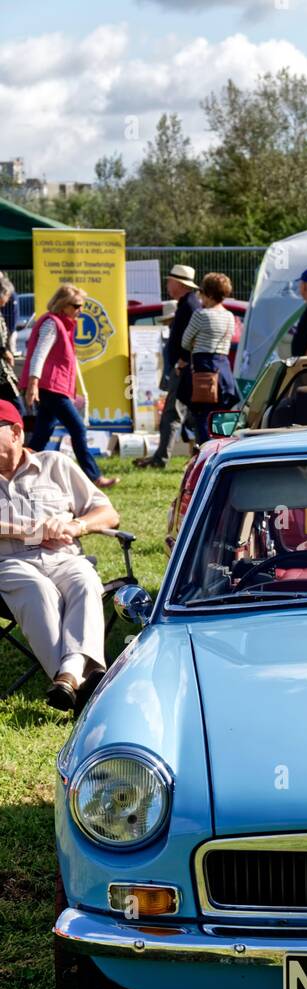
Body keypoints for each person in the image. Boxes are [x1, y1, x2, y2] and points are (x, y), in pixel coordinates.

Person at [0, 399, 119, 711]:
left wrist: (75, 524)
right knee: (37, 589)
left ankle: (68, 677)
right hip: (11, 564)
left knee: (84, 580)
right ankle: (86, 685)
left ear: (15, 432)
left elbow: (107, 512)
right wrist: (26, 531)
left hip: (65, 558)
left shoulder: (56, 465)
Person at [22, 283, 118, 489]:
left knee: (41, 436)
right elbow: (39, 354)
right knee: (78, 429)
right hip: (51, 388)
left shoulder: (62, 325)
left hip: (52, 387)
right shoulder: (52, 324)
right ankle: (94, 477)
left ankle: (17, 470)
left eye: (81, 305)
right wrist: (33, 383)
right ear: (63, 305)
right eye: (76, 305)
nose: (80, 310)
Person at [134, 264, 201, 468]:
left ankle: (161, 458)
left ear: (179, 284)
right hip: (184, 368)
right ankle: (191, 454)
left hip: (183, 369)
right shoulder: (188, 304)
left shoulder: (188, 306)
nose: (167, 284)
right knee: (188, 415)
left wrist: (182, 360)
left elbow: (189, 338)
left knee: (173, 413)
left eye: (170, 281)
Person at [176, 272, 239, 445]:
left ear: (209, 295)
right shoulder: (229, 316)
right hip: (223, 368)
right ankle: (223, 447)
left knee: (202, 415)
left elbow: (185, 341)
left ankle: (206, 451)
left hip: (203, 369)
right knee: (221, 415)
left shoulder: (201, 315)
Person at [0, 277, 21, 407]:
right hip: (2, 372)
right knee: (16, 405)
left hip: (2, 369)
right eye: (7, 295)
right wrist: (4, 351)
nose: (8, 300)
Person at [0, 273, 19, 351]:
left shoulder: (12, 294)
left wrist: (11, 330)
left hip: (9, 330)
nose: (7, 300)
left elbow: (14, 314)